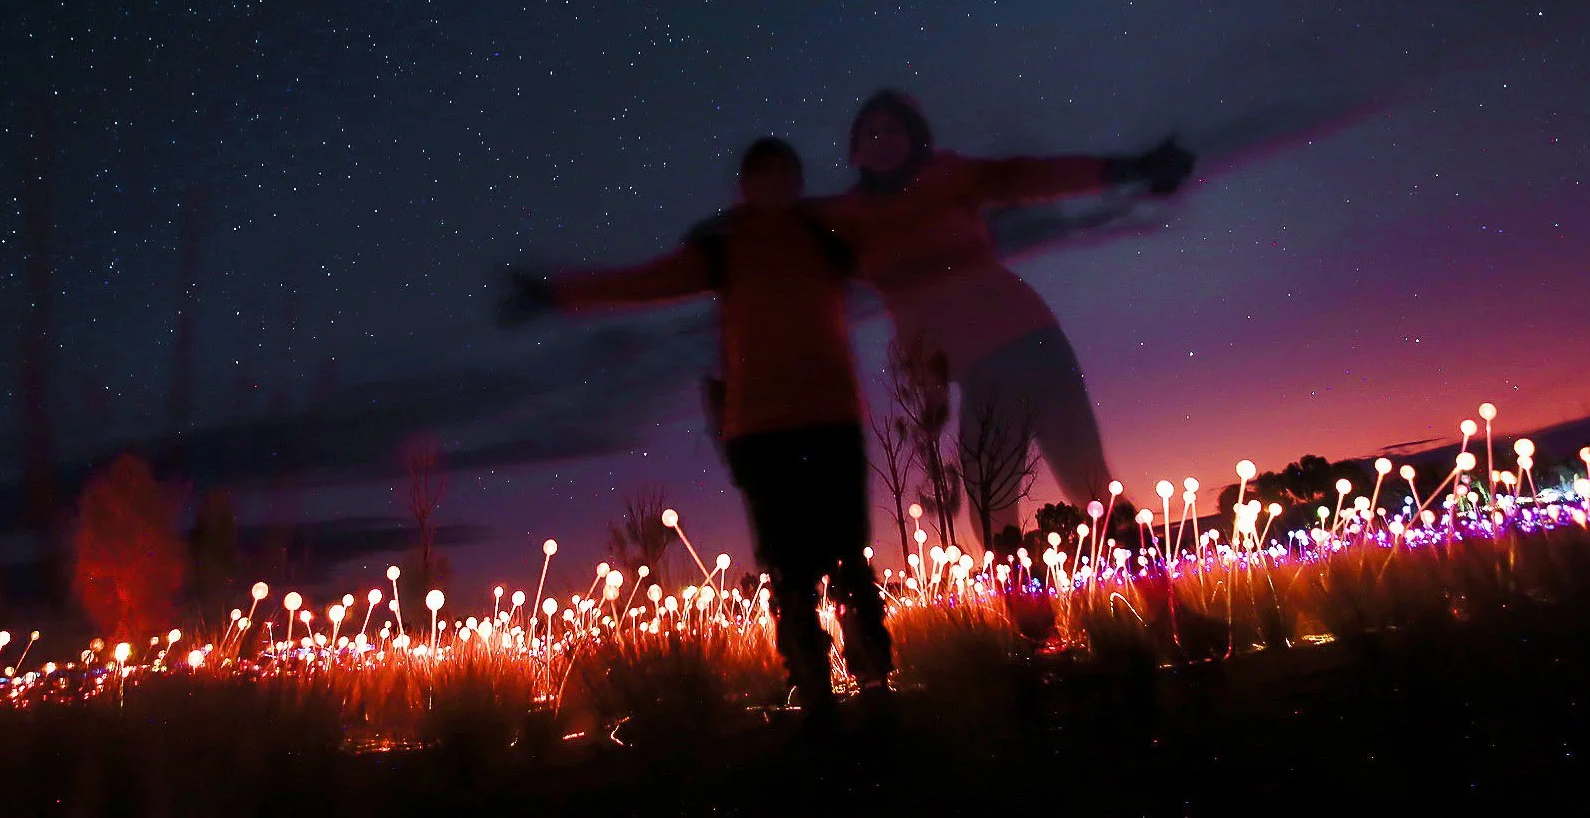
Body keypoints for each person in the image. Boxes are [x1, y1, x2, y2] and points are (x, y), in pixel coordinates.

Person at [499, 137, 891, 723]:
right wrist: (560, 293)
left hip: (832, 417)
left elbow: (899, 244)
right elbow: (645, 281)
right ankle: (814, 691)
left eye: (787, 175)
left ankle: (875, 681)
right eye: (766, 176)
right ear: (748, 185)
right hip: (762, 427)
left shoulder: (827, 239)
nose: (778, 187)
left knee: (849, 556)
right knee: (789, 566)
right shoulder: (726, 248)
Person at [812, 90, 1193, 548]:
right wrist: (929, 390)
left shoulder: (947, 177)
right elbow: (908, 313)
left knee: (1089, 484)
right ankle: (1028, 620)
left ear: (915, 139)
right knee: (992, 499)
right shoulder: (851, 219)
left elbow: (1029, 176)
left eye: (894, 129)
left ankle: (1166, 609)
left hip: (1033, 340)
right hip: (982, 370)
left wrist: (1129, 168)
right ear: (855, 149)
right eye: (871, 132)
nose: (883, 140)